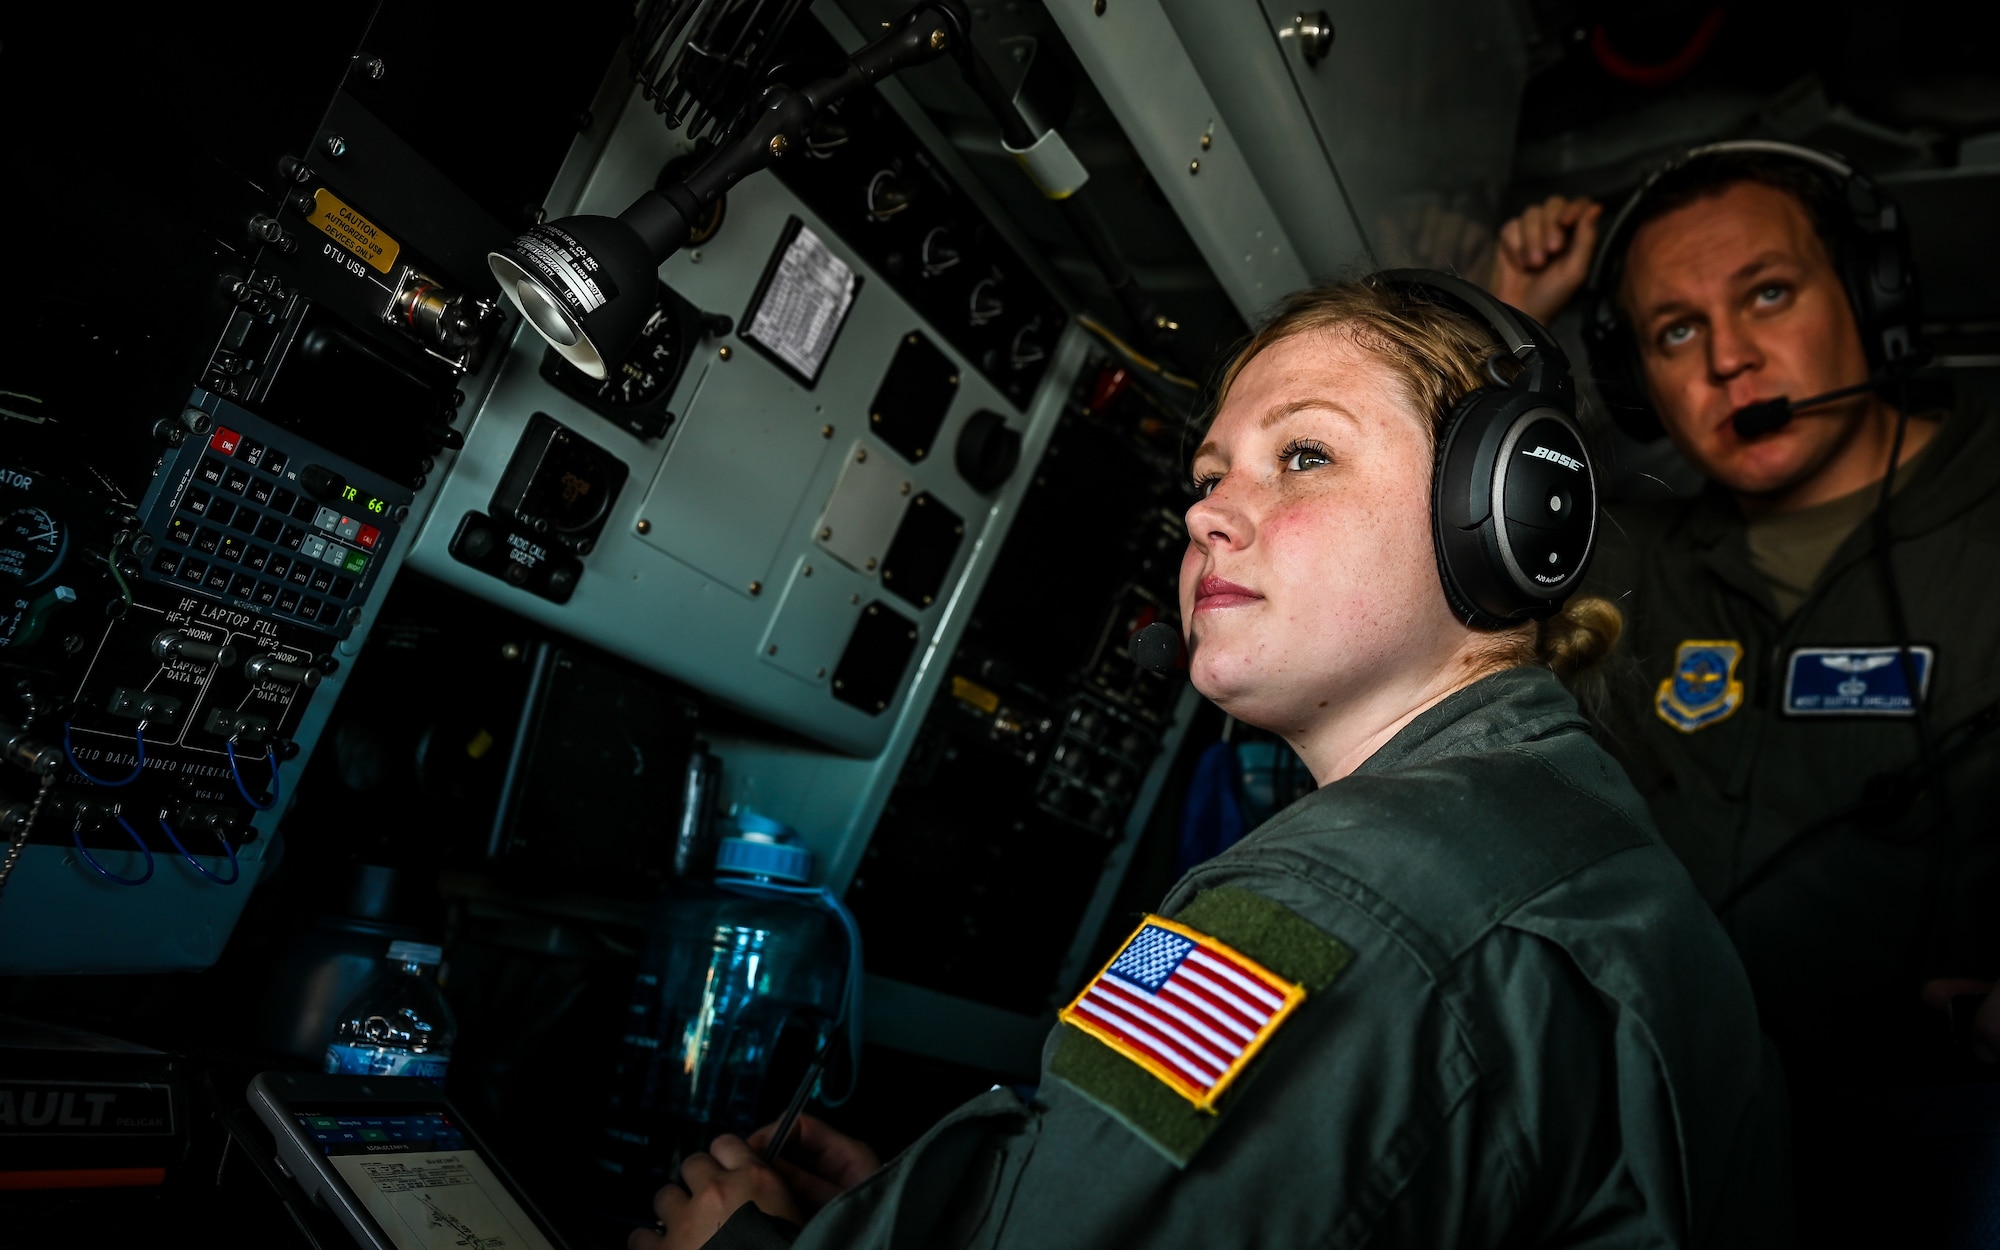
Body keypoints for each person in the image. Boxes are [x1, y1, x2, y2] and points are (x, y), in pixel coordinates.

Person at [630, 274, 1791, 1250]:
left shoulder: (1327, 905)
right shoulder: (1560, 833)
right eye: (1205, 476)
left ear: (1504, 513)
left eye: (1302, 454)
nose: (1208, 516)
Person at [1489, 143, 2000, 1239]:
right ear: (1638, 386)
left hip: (1934, 1131)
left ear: (1870, 299)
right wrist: (1508, 317)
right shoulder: (1624, 559)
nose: (1728, 357)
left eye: (1767, 293)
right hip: (1652, 1129)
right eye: (1674, 330)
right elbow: (1443, 557)